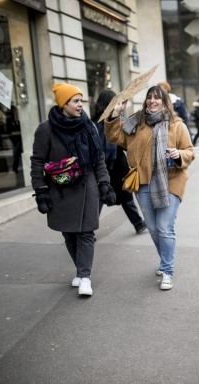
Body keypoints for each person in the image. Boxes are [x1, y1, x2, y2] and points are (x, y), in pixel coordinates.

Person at [105, 85, 195, 290]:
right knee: (153, 228)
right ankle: (165, 260)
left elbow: (190, 151)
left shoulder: (176, 125)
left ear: (165, 101)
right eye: (149, 98)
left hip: (171, 180)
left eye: (157, 98)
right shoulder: (136, 122)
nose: (153, 101)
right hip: (143, 181)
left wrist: (178, 155)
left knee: (165, 227)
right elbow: (114, 137)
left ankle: (167, 271)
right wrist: (116, 114)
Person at [30, 83, 115, 296]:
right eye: (75, 101)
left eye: (81, 101)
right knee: (69, 234)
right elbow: (37, 161)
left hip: (87, 188)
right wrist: (40, 190)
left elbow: (98, 159)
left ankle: (85, 277)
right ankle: (80, 270)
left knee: (86, 233)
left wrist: (104, 183)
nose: (80, 105)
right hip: (59, 190)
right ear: (63, 103)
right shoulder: (46, 129)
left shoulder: (89, 126)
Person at [91, 90, 147, 234]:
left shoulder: (93, 123)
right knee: (125, 196)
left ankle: (88, 231)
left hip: (100, 166)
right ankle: (138, 224)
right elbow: (125, 143)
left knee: (100, 197)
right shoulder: (116, 121)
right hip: (117, 164)